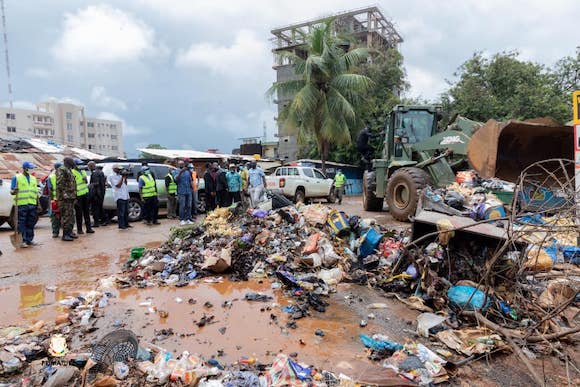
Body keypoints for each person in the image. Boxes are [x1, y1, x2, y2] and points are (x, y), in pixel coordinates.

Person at [10, 161, 39, 247]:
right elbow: (12, 191)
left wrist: (39, 204)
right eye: (30, 168)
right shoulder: (16, 178)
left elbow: (35, 192)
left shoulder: (33, 178)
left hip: (32, 204)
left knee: (31, 222)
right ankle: (22, 240)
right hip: (21, 204)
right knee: (21, 222)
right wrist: (14, 191)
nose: (32, 170)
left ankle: (29, 240)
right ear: (25, 168)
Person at [56, 158, 78, 241]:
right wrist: (65, 194)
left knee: (71, 216)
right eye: (72, 161)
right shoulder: (61, 170)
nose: (74, 163)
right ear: (68, 162)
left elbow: (72, 184)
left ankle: (70, 232)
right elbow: (60, 183)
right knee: (66, 216)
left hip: (71, 196)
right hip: (65, 198)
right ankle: (65, 234)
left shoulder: (69, 170)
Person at [72, 159, 94, 234]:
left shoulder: (83, 171)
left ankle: (89, 228)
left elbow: (86, 182)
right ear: (74, 165)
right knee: (79, 213)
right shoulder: (72, 173)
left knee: (86, 212)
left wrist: (85, 180)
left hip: (85, 194)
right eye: (78, 164)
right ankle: (80, 229)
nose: (80, 166)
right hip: (78, 196)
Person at [108, 164, 131, 229]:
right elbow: (118, 185)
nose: (119, 170)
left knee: (126, 211)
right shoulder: (112, 176)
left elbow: (125, 184)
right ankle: (121, 225)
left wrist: (125, 177)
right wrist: (122, 177)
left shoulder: (121, 175)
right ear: (114, 169)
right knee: (121, 212)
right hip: (119, 196)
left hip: (125, 195)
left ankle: (126, 224)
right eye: (118, 169)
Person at [174, 160, 193, 225]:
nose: (181, 165)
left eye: (182, 164)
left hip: (188, 191)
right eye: (180, 164)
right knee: (182, 205)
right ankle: (182, 219)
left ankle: (188, 219)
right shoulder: (175, 171)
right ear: (178, 165)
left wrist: (192, 188)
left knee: (189, 205)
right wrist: (180, 172)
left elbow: (190, 180)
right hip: (181, 191)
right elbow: (176, 180)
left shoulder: (187, 172)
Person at [88, 161, 106, 227]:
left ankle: (96, 223)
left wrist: (90, 186)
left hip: (96, 194)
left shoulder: (95, 173)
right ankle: (104, 220)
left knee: (95, 209)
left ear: (91, 166)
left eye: (89, 167)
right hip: (101, 193)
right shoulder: (101, 172)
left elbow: (96, 183)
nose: (89, 168)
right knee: (100, 207)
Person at [46, 162, 62, 238]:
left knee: (57, 217)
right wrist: (52, 200)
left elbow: (50, 190)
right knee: (57, 216)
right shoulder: (52, 177)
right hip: (58, 200)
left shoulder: (51, 177)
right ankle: (56, 232)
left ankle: (56, 232)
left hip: (58, 200)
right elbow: (50, 190)